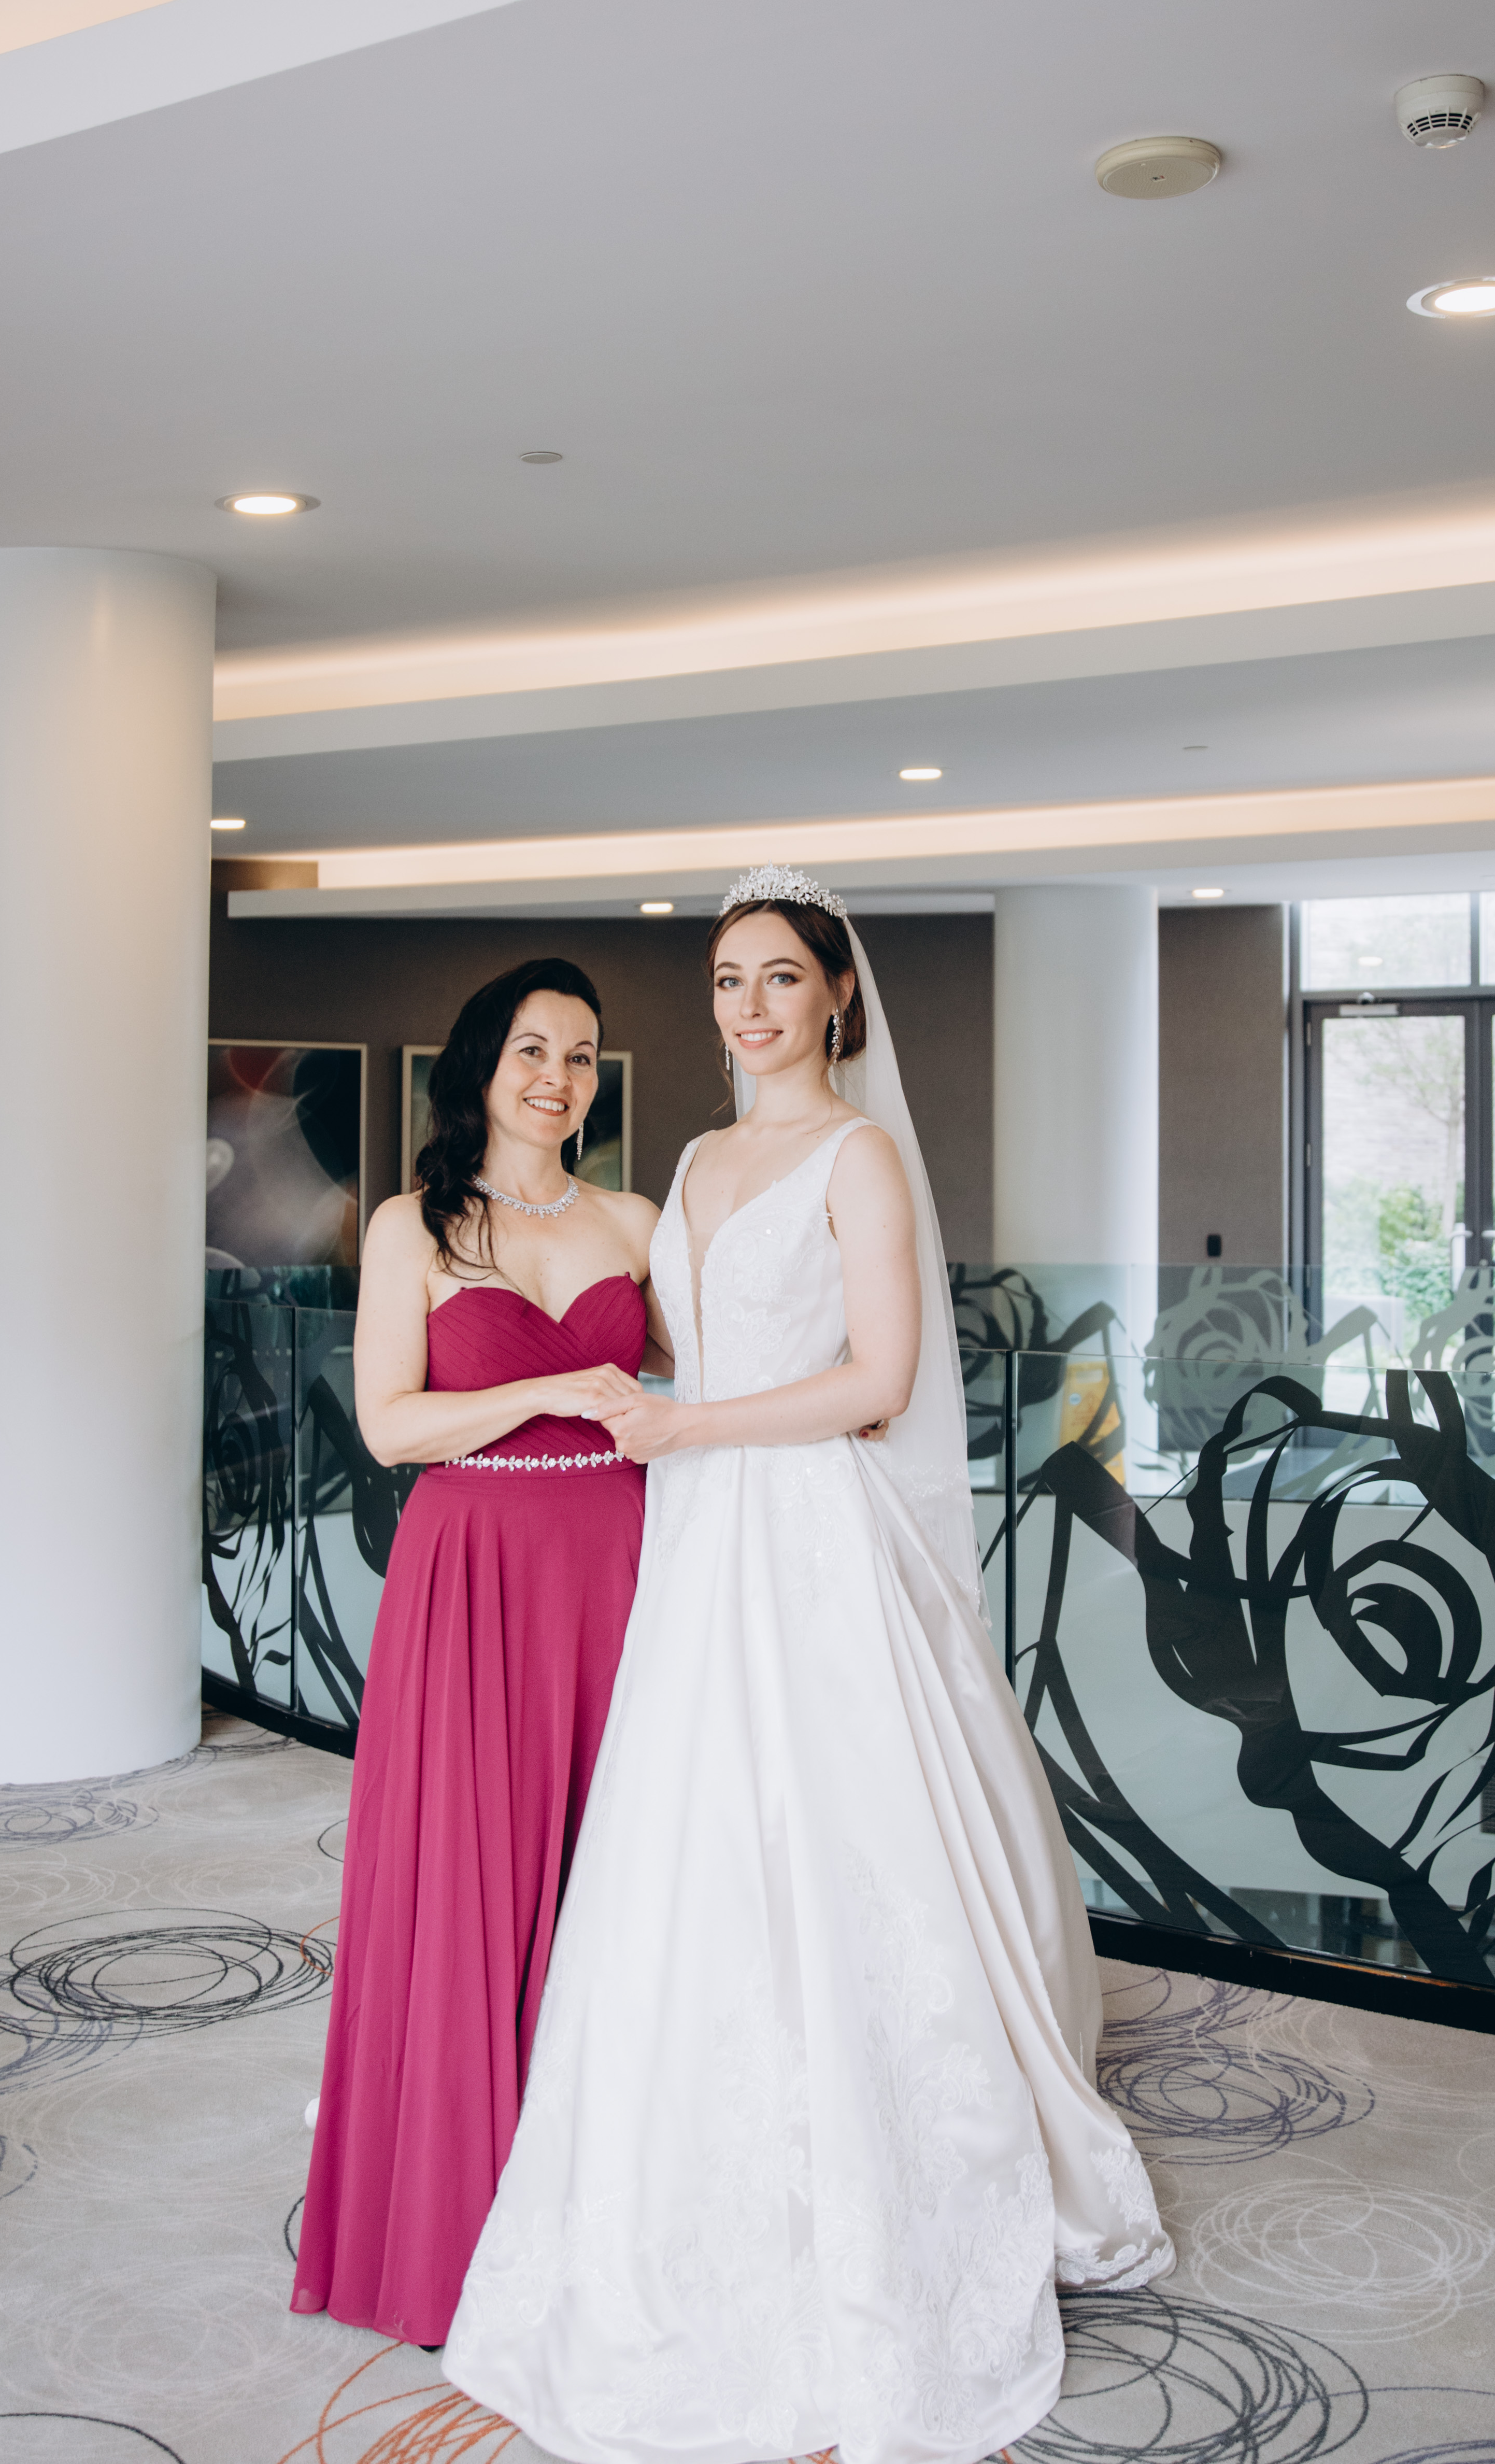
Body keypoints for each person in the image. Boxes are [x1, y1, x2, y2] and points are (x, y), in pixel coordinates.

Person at [443, 871, 1172, 2464]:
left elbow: (879, 1378)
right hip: (697, 1536)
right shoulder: (694, 1160)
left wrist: (690, 1423)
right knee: (690, 1849)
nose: (751, 1006)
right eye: (727, 978)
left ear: (837, 995)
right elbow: (655, 1330)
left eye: (780, 976)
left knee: (843, 1841)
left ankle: (891, 2196)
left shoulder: (860, 1156)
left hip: (803, 1526)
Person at [291, 958, 666, 2349]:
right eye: (532, 1050)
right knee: (472, 1869)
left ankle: (611, 2208)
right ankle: (460, 2216)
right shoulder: (414, 1226)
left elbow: (716, 1375)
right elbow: (393, 1426)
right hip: (476, 1569)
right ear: (481, 1067)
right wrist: (555, 1385)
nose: (558, 1077)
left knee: (620, 1868)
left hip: (624, 1563)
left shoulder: (635, 1219)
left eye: (580, 1054)